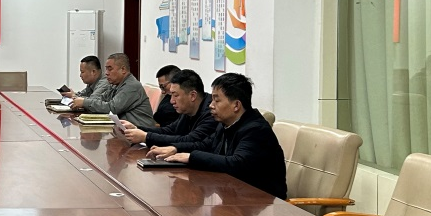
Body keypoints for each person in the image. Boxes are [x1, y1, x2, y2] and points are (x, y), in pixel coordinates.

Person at [157, 72, 287, 199]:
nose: (211, 105)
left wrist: (192, 157)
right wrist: (176, 148)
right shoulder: (225, 123)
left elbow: (236, 163)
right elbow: (205, 145)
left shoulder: (256, 130)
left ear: (236, 105)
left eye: (217, 100)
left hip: (262, 200)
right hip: (232, 193)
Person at [124, 69, 216, 149]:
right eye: (171, 95)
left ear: (192, 96)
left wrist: (146, 137)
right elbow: (170, 130)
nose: (171, 101)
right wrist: (137, 128)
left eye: (175, 95)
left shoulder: (212, 112)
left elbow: (189, 140)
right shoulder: (187, 110)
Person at [70, 52, 156, 128]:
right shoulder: (116, 84)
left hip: (139, 131)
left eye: (110, 69)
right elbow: (101, 99)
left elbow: (112, 108)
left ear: (123, 70)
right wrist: (83, 102)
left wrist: (85, 102)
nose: (106, 73)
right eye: (106, 69)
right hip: (123, 129)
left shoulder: (132, 86)